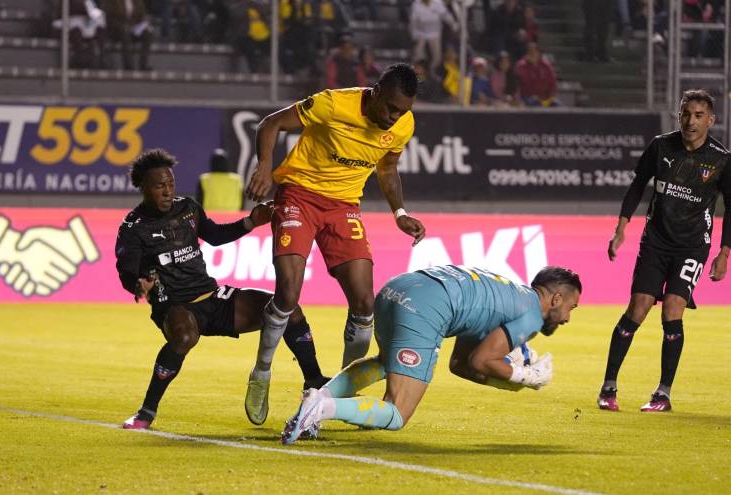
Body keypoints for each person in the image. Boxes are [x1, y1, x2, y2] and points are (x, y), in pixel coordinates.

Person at [242, 63, 427, 426]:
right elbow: (271, 124)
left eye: (402, 111)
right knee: (288, 293)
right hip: (299, 194)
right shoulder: (332, 104)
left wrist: (400, 212)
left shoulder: (403, 124)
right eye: (390, 108)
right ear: (374, 93)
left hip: (344, 206)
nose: (394, 118)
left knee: (364, 303)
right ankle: (261, 372)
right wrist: (264, 167)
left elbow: (387, 170)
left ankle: (339, 393)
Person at [115, 148, 328, 430]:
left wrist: (251, 221)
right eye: (159, 186)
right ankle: (146, 412)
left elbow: (214, 236)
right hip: (174, 305)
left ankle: (314, 379)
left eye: (170, 184)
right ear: (143, 187)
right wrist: (139, 285)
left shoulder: (188, 208)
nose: (167, 191)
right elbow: (127, 271)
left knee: (287, 309)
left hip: (212, 297)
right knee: (185, 337)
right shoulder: (134, 226)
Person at [280, 264, 582, 444]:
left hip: (396, 289)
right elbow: (482, 361)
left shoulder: (510, 297)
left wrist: (509, 381)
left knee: (386, 363)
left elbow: (461, 365)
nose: (568, 318)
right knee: (397, 413)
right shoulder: (531, 316)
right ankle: (320, 409)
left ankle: (314, 401)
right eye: (571, 308)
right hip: (425, 307)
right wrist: (524, 375)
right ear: (556, 299)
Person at [598, 89, 731, 413]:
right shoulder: (661, 146)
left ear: (711, 120)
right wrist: (621, 227)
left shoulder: (721, 159)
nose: (691, 121)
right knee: (638, 308)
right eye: (686, 113)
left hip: (692, 245)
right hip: (655, 241)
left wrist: (724, 253)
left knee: (673, 309)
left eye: (699, 115)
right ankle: (609, 386)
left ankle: (662, 393)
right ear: (679, 115)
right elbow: (637, 185)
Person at [514, 41, 558, 107]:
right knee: (535, 103)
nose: (533, 53)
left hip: (545, 98)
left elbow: (552, 82)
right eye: (530, 52)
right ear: (527, 53)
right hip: (527, 97)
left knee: (556, 105)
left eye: (535, 51)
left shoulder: (546, 65)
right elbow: (517, 84)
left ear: (539, 53)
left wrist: (552, 95)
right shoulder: (521, 66)